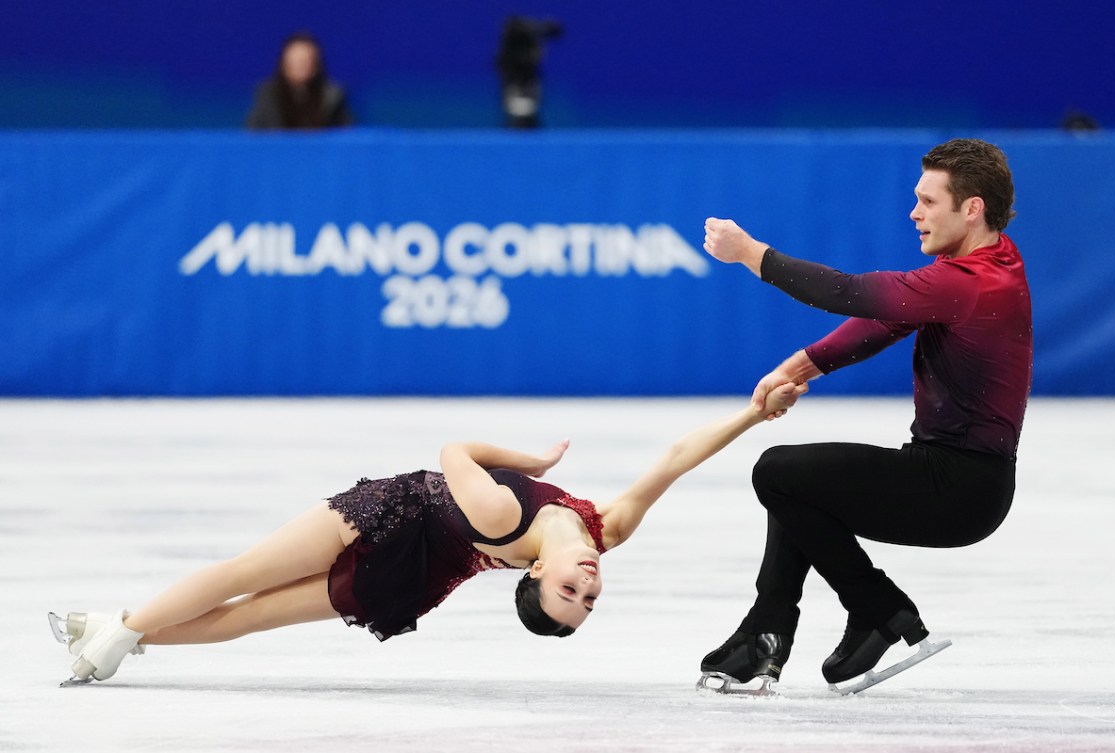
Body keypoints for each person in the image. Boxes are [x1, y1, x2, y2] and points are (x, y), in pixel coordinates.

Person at [52, 383, 805, 685]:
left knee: (252, 611)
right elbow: (675, 459)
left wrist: (530, 463)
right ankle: (116, 632)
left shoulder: (502, 517)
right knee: (245, 572)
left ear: (533, 575)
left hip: (410, 557)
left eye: (569, 593)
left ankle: (121, 630)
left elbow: (454, 452)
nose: (587, 583)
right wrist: (752, 413)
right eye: (588, 596)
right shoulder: (608, 528)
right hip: (398, 518)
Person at [696, 138, 1032, 694]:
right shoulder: (990, 262)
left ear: (972, 208)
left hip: (959, 488)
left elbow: (850, 293)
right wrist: (799, 367)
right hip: (958, 477)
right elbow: (889, 321)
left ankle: (875, 609)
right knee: (798, 485)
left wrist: (750, 253)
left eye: (928, 201)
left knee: (777, 472)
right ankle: (766, 634)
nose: (914, 212)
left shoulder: (971, 282)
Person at [245, 31, 352, 130]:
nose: (300, 66)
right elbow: (253, 133)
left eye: (305, 60)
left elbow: (347, 133)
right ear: (283, 63)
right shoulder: (267, 95)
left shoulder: (333, 96)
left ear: (316, 64)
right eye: (295, 60)